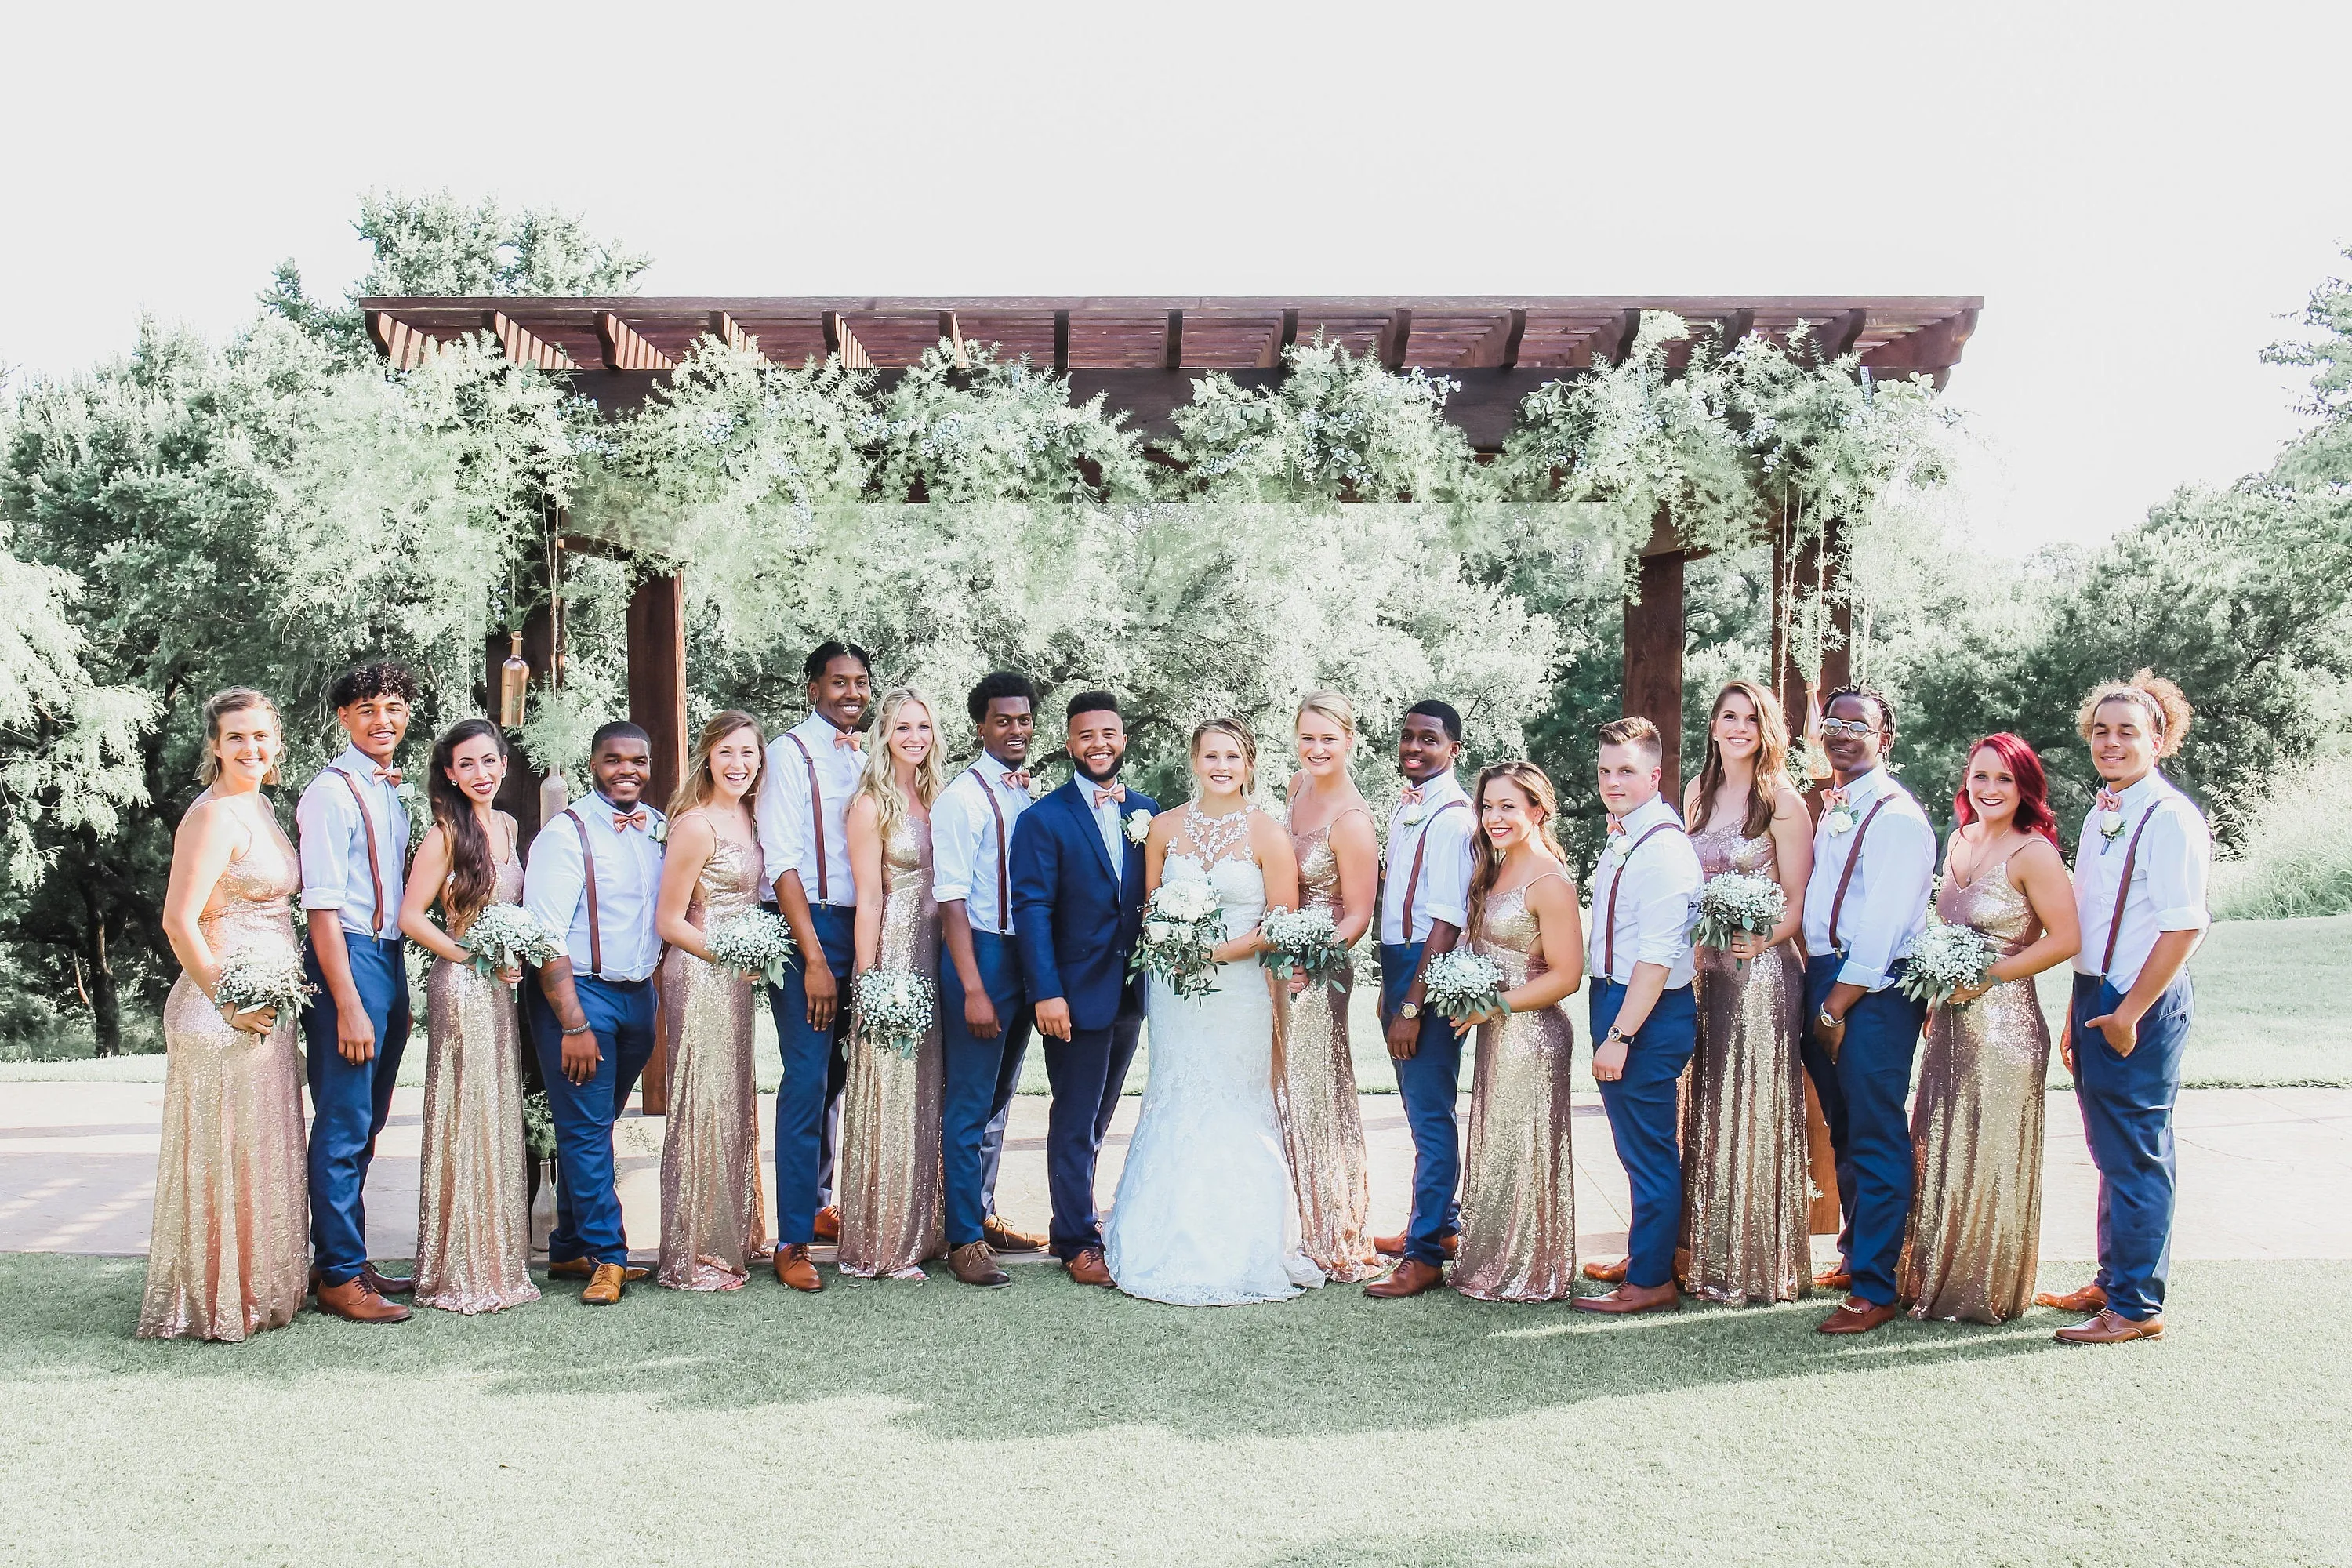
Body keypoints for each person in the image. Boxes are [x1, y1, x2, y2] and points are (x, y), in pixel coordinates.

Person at [1105, 717, 1321, 1305]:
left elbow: (1281, 923)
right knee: (1175, 1093)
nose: (1221, 766)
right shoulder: (1164, 830)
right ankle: (1163, 1240)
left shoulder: (1267, 834)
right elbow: (1147, 910)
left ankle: (1244, 1246)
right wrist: (1173, 946)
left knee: (1234, 1099)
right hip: (1176, 991)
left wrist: (1216, 952)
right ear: (1193, 761)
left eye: (1232, 757)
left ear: (1249, 765)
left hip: (1241, 993)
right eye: (1210, 756)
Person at [2038, 673, 2210, 1345]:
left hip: (2140, 1000)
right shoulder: (2106, 809)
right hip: (2098, 993)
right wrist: (2082, 1004)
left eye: (2128, 732)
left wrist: (2128, 1011)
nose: (2111, 743)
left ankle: (2136, 1306)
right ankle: (2115, 1279)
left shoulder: (2169, 818)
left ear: (2159, 740)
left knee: (2138, 1153)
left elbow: (2184, 927)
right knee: (2109, 1148)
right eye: (2101, 731)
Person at [139, 691, 312, 1341]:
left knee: (258, 1152)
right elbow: (178, 921)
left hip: (267, 1007)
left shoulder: (262, 805)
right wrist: (229, 1002)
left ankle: (260, 1285)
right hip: (222, 1012)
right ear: (214, 745)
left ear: (278, 741)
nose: (251, 749)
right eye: (236, 738)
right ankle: (217, 1300)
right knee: (225, 1154)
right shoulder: (211, 817)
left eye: (262, 737)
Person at [1897, 733, 2080, 1323]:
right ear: (1966, 782)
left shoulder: (2034, 853)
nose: (1991, 789)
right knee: (1940, 1144)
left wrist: (1993, 977)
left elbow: (2066, 939)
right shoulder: (1960, 840)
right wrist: (1934, 989)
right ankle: (1931, 1278)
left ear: (2026, 787)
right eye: (1981, 776)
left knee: (1989, 1153)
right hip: (1949, 1021)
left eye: (2005, 779)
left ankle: (1983, 1290)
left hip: (2006, 1028)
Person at [1799, 684, 1937, 1335]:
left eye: (1859, 724)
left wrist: (1834, 1006)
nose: (1842, 732)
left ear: (1885, 739)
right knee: (1846, 1129)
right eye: (1833, 721)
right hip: (1829, 975)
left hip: (1870, 991)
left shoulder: (1898, 818)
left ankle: (1877, 1289)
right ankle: (1860, 1257)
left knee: (1877, 1134)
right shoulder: (1836, 808)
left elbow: (1881, 930)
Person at [1008, 691, 1159, 1287]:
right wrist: (1047, 992)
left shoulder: (1146, 811)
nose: (1099, 744)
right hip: (1070, 994)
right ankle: (1076, 1240)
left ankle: (1068, 1217)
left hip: (1129, 992)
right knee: (1074, 1117)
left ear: (1123, 740)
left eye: (1109, 733)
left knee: (1099, 1116)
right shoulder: (1041, 819)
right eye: (1086, 735)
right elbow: (1033, 909)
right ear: (1069, 744)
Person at [1675, 679, 1814, 1305]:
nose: (1738, 728)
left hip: (1759, 974)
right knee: (1702, 1103)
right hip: (1703, 971)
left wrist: (1761, 940)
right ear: (1713, 726)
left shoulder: (1781, 801)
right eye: (1728, 717)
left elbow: (1796, 901)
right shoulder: (1696, 794)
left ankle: (1758, 1261)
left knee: (1751, 1106)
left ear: (1767, 732)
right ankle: (1702, 1250)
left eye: (1751, 720)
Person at [396, 717, 539, 1315]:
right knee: (468, 1110)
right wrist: (471, 954)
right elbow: (410, 916)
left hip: (500, 991)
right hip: (460, 985)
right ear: (450, 775)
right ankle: (458, 1264)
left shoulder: (506, 825)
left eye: (489, 761)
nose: (480, 774)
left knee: (498, 1110)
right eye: (467, 765)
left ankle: (500, 1256)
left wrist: (513, 958)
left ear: (504, 764)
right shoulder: (445, 834)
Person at [521, 723, 666, 1305]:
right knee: (585, 1128)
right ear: (593, 764)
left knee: (595, 1125)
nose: (626, 769)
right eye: (614, 760)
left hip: (638, 996)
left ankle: (568, 1247)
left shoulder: (659, 828)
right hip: (578, 995)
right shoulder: (565, 834)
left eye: (637, 759)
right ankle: (609, 1256)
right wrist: (574, 1022)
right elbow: (544, 936)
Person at [296, 661, 419, 1323]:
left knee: (368, 1122)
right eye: (368, 708)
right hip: (346, 961)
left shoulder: (389, 792)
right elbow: (321, 908)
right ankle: (339, 1277)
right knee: (344, 1122)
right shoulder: (331, 793)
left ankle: (344, 1255)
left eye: (394, 707)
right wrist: (345, 1001)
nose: (383, 720)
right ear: (344, 716)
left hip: (389, 960)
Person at [1575, 717, 1705, 1316]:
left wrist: (1620, 1034)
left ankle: (1651, 1280)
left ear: (1655, 774)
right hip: (1617, 999)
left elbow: (1656, 960)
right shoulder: (1627, 836)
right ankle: (1645, 1254)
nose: (1612, 781)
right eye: (1605, 770)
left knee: (1650, 1154)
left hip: (1644, 1014)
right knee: (1635, 1150)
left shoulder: (1665, 853)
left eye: (1626, 770)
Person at [1448, 762, 1586, 1302]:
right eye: (1487, 806)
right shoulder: (1496, 867)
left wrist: (1494, 1005)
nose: (1495, 817)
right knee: (1498, 1144)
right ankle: (1490, 1260)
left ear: (1538, 809)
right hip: (1497, 1032)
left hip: (1532, 1034)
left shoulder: (1548, 880)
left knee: (1524, 1148)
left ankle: (1530, 1268)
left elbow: (1567, 975)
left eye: (1509, 806)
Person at [757, 642, 870, 1290]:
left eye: (859, 683)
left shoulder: (871, 752)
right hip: (815, 926)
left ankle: (822, 1204)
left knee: (839, 1076)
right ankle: (792, 1237)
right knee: (805, 1077)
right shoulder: (787, 753)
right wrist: (814, 958)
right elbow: (782, 862)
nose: (850, 693)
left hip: (869, 925)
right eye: (837, 683)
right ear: (812, 689)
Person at [933, 672, 1049, 1289]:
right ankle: (963, 1238)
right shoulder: (963, 797)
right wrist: (974, 986)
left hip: (1024, 954)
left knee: (1003, 1097)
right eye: (1003, 720)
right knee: (971, 1099)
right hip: (979, 954)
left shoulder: (1024, 794)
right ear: (980, 726)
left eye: (1024, 720)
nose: (1016, 730)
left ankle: (983, 1209)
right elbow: (951, 898)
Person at [652, 710, 771, 1291]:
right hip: (700, 974)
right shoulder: (696, 825)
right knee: (702, 1104)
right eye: (727, 752)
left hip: (737, 979)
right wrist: (729, 956)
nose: (739, 764)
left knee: (731, 1101)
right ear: (707, 757)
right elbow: (669, 921)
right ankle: (694, 1252)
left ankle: (733, 1232)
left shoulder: (749, 815)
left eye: (748, 753)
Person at [1365, 701, 1477, 1300]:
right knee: (1419, 1112)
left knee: (1431, 1119)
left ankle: (1426, 1252)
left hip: (1427, 969)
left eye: (1428, 739)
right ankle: (1440, 1223)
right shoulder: (1409, 806)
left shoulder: (1455, 818)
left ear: (1452, 750)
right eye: (1407, 737)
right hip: (1400, 964)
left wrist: (1411, 1004)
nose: (1413, 747)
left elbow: (1447, 920)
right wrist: (1388, 985)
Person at [839, 687, 950, 1279]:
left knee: (929, 1090)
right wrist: (870, 977)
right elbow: (870, 897)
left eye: (924, 727)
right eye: (903, 727)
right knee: (894, 1090)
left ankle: (925, 1229)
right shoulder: (869, 805)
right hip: (897, 953)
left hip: (940, 952)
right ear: (883, 734)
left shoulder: (938, 795)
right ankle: (884, 1240)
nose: (914, 737)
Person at [1277, 692, 1381, 1283]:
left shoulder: (1353, 820)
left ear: (1350, 740)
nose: (1317, 749)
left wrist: (1311, 958)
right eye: (1307, 737)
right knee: (1282, 1088)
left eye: (1329, 739)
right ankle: (1286, 1217)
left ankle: (1332, 1228)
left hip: (1322, 967)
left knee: (1317, 1089)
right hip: (1283, 958)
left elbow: (1358, 915)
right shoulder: (1297, 787)